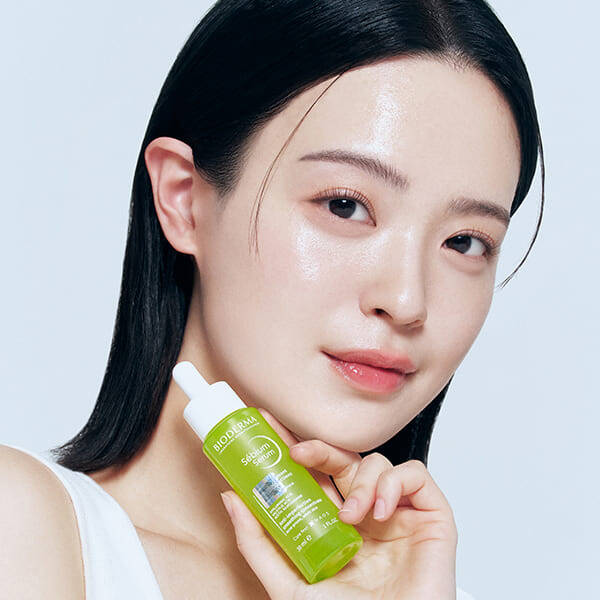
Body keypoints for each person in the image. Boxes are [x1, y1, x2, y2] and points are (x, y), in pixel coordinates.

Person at [1, 0, 544, 598]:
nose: (406, 299)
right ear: (184, 200)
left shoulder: (412, 584)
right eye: (344, 205)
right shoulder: (22, 526)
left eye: (465, 241)